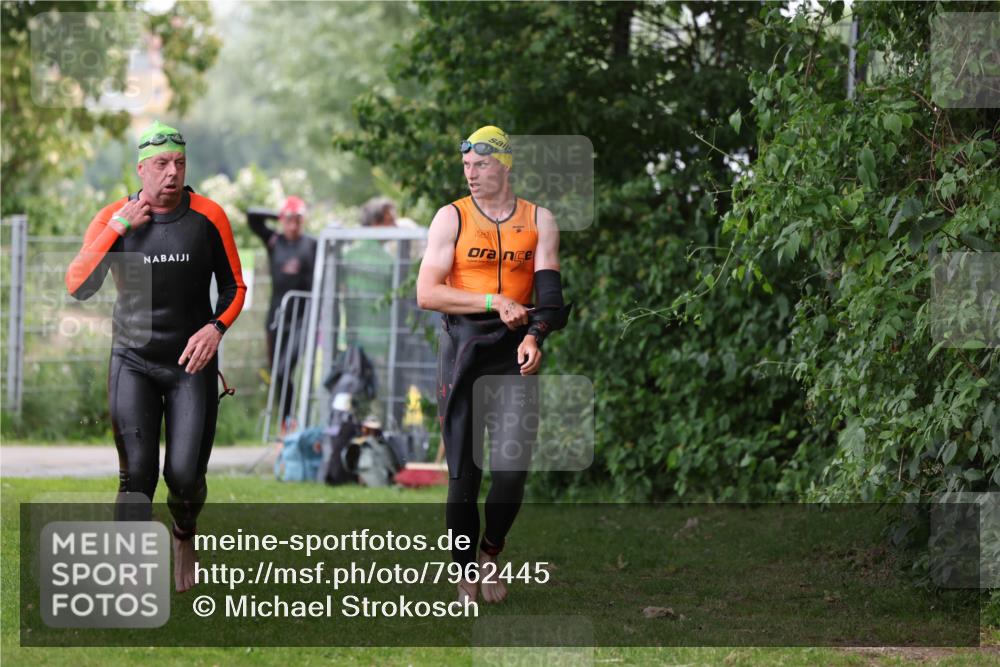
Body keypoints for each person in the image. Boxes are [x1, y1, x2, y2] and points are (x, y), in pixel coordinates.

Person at [65, 120, 246, 593]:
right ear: (142, 168)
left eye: (180, 163)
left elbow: (234, 287)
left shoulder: (208, 216)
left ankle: (184, 535)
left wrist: (215, 328)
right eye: (162, 164)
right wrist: (119, 227)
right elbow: (79, 286)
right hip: (133, 360)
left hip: (191, 365)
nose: (172, 173)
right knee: (137, 473)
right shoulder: (113, 216)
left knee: (185, 477)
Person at [416, 125, 571, 604]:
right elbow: (427, 293)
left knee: (511, 470)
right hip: (462, 351)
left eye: (481, 165)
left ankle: (489, 556)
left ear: (504, 165)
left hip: (511, 353)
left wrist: (535, 336)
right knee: (464, 475)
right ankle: (463, 573)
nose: (472, 174)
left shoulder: (539, 220)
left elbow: (549, 297)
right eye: (466, 166)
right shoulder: (451, 218)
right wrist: (493, 298)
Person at [246, 196, 318, 433]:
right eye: (289, 220)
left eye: (298, 220)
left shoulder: (311, 244)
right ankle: (286, 421)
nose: (293, 225)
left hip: (303, 317)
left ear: (303, 221)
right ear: (282, 220)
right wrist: (279, 214)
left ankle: (292, 419)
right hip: (277, 315)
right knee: (277, 371)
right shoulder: (274, 242)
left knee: (286, 367)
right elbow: (252, 216)